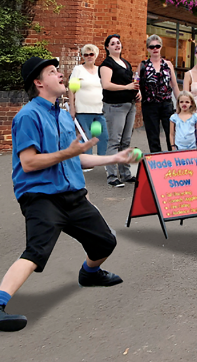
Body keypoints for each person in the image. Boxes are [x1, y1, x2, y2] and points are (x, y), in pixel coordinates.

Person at [0, 57, 137, 332]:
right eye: (52, 72)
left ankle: (89, 274)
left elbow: (76, 159)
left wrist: (114, 158)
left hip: (72, 193)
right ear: (39, 83)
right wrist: (69, 153)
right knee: (36, 252)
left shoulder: (64, 116)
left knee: (105, 243)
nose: (60, 74)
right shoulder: (27, 116)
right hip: (41, 196)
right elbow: (29, 162)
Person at [100, 34, 140, 188]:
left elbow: (131, 82)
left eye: (118, 42)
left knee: (126, 141)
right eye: (113, 43)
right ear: (107, 47)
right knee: (114, 141)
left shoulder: (125, 63)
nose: (117, 45)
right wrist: (126, 87)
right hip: (115, 106)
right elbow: (106, 84)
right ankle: (112, 175)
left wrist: (137, 91)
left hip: (129, 105)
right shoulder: (107, 64)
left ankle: (125, 174)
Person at [139, 35, 180, 154]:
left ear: (161, 47)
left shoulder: (168, 64)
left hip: (166, 104)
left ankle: (172, 159)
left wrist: (180, 102)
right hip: (149, 105)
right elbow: (137, 83)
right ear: (148, 49)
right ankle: (157, 164)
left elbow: (174, 85)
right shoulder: (143, 65)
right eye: (152, 47)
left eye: (157, 46)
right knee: (153, 136)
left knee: (171, 134)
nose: (155, 49)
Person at [67, 44, 108, 158]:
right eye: (86, 55)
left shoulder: (100, 70)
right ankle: (87, 162)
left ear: (96, 55)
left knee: (103, 136)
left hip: (100, 110)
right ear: (83, 56)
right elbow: (71, 90)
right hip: (83, 110)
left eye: (91, 54)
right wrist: (72, 108)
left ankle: (102, 160)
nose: (89, 57)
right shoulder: (78, 69)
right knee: (86, 138)